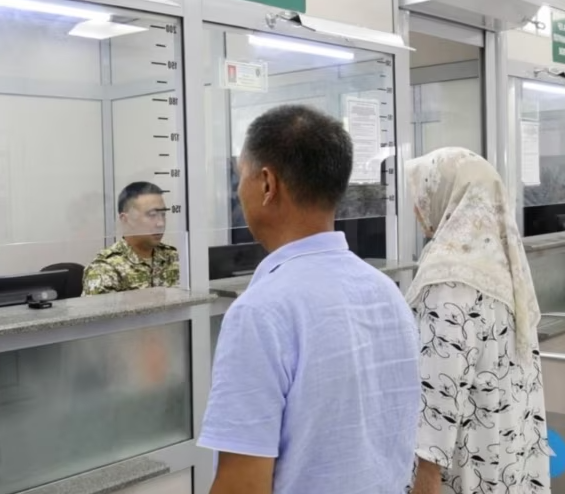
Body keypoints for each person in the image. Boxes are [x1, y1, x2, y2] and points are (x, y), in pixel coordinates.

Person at [198, 105, 420, 494]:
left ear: (267, 184)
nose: (237, 192)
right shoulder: (386, 291)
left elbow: (242, 485)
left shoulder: (260, 312)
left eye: (240, 177)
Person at [405, 148, 550, 494]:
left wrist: (425, 477)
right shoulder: (504, 267)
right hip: (507, 451)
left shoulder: (448, 279)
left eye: (421, 195)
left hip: (465, 462)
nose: (416, 209)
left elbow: (439, 390)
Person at [82, 181, 179, 295]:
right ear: (125, 219)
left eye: (163, 214)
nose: (160, 223)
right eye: (152, 215)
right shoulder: (105, 268)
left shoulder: (174, 257)